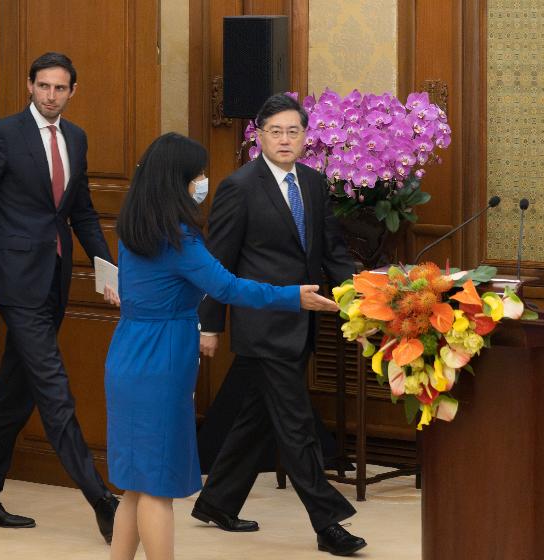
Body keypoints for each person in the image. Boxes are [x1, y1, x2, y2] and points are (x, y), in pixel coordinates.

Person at [104, 133, 340, 560]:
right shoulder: (178, 239)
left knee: (136, 484)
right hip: (161, 359)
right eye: (197, 174)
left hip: (127, 353)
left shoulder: (132, 227)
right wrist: (292, 296)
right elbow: (227, 287)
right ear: (179, 180)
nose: (203, 181)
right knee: (158, 486)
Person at [0, 52, 119, 543]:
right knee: (53, 387)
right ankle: (101, 499)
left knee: (14, 392)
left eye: (60, 88)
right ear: (30, 85)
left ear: (72, 92)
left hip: (55, 278)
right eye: (43, 86)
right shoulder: (3, 134)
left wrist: (109, 270)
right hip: (15, 280)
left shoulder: (77, 138)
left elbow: (81, 211)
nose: (51, 95)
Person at [193, 93, 366, 556]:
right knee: (295, 425)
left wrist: (361, 300)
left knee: (256, 417)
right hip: (262, 324)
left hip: (303, 320)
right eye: (275, 131)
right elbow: (218, 261)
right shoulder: (240, 186)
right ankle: (328, 524)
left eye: (293, 131)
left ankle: (217, 500)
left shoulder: (313, 183)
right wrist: (209, 325)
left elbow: (331, 252)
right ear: (259, 136)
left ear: (306, 137)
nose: (285, 140)